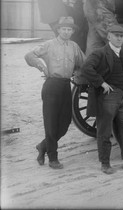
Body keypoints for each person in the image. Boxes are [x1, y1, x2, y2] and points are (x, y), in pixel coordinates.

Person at [80, 24, 123, 175]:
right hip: (107, 97)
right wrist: (101, 82)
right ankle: (105, 163)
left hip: (122, 97)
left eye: (121, 36)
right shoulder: (100, 53)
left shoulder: (120, 54)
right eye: (116, 35)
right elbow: (86, 68)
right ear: (108, 36)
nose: (119, 38)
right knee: (104, 131)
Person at [24, 17, 86, 169]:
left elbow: (83, 64)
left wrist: (78, 73)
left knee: (64, 124)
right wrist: (41, 66)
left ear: (72, 31)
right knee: (51, 123)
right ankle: (53, 158)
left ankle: (43, 146)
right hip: (51, 86)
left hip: (66, 86)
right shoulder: (49, 45)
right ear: (58, 30)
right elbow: (29, 55)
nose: (66, 31)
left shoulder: (74, 47)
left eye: (69, 29)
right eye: (63, 29)